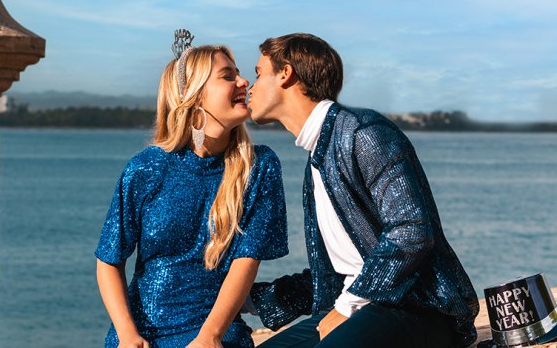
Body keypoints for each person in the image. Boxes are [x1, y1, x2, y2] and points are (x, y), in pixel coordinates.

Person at [246, 33, 479, 348]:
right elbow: (337, 272)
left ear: (286, 74)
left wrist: (346, 307)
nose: (251, 86)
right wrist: (243, 300)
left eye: (259, 74)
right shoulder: (316, 161)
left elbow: (411, 231)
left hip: (417, 308)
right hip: (360, 307)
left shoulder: (363, 132)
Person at [96, 34, 289, 348]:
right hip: (139, 337)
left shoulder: (259, 166)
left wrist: (209, 337)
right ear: (195, 95)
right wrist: (127, 334)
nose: (244, 82)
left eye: (239, 73)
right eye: (228, 76)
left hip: (215, 335)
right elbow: (109, 260)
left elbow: (247, 261)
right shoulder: (146, 168)